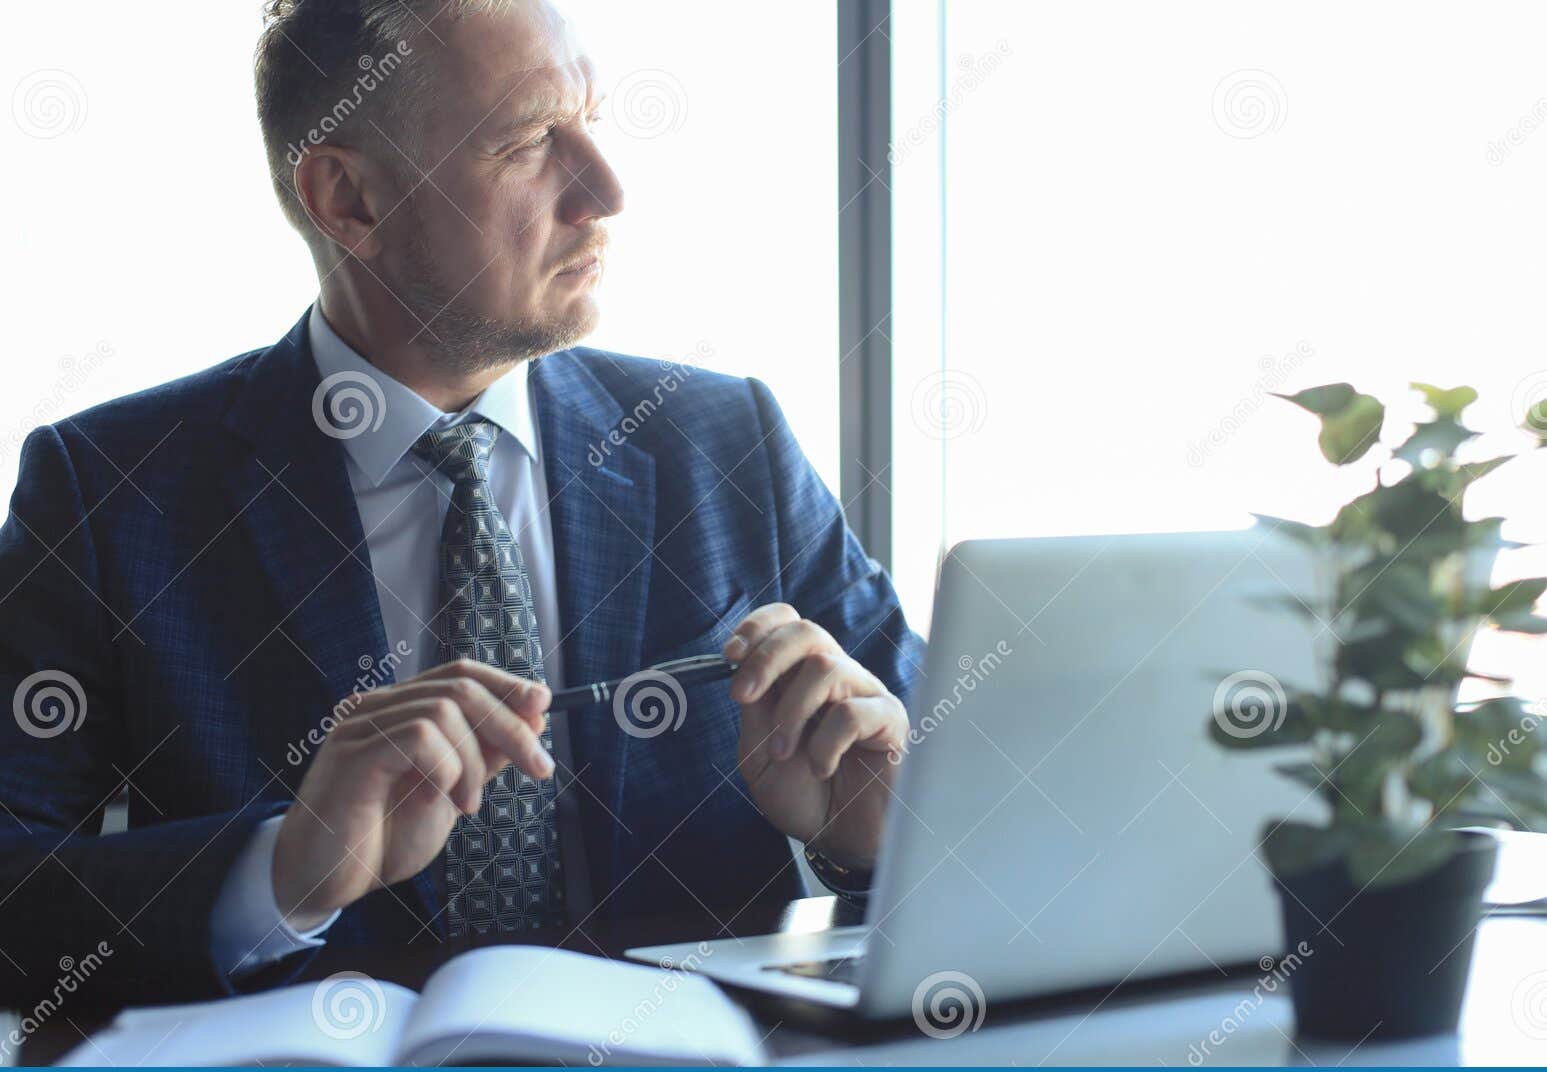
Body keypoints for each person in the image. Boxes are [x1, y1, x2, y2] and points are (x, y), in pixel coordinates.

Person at [0, 0, 922, 1007]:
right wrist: (278, 872)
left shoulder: (726, 440)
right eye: (529, 142)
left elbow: (971, 779)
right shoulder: (112, 492)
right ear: (347, 198)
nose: (605, 191)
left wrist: (872, 833)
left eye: (593, 125)